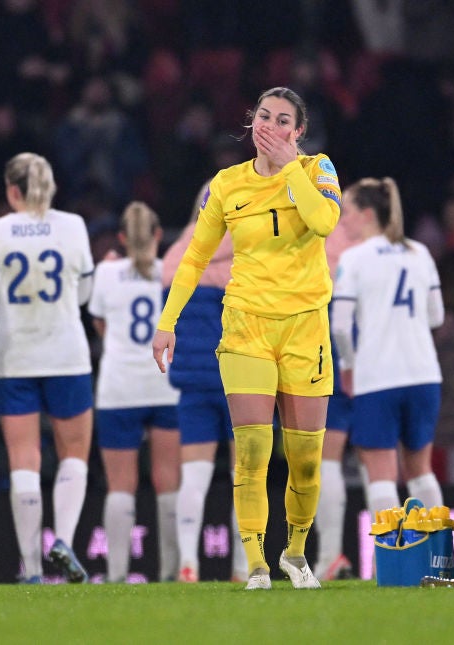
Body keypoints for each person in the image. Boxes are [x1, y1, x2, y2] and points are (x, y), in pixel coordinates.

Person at [152, 87, 342, 590]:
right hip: (246, 325)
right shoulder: (227, 184)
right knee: (253, 449)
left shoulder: (319, 169)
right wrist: (167, 321)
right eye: (263, 115)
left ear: (298, 132)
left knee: (303, 457)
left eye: (283, 120)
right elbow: (194, 257)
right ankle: (256, 562)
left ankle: (296, 554)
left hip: (305, 326)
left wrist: (289, 168)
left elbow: (323, 222)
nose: (270, 125)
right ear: (250, 121)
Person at [0, 152, 95, 584]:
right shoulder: (74, 226)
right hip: (66, 352)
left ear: (13, 190)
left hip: (14, 356)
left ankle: (30, 565)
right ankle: (63, 540)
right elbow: (84, 294)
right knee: (74, 454)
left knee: (23, 459)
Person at [329, 177, 446, 531]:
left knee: (380, 473)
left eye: (346, 212)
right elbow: (437, 316)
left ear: (367, 214)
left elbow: (339, 326)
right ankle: (438, 558)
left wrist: (348, 365)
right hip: (424, 374)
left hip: (378, 377)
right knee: (420, 470)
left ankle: (393, 563)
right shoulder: (419, 252)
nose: (342, 221)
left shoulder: (354, 258)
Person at [88, 201, 180, 583]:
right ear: (159, 235)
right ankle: (174, 572)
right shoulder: (170, 273)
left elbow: (100, 326)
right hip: (164, 384)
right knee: (168, 481)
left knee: (120, 485)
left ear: (122, 238)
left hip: (119, 388)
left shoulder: (106, 273)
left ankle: (116, 574)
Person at [161, 183, 248, 583]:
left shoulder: (177, 256)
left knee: (193, 475)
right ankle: (242, 565)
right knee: (242, 475)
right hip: (238, 380)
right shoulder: (246, 253)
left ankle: (189, 562)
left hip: (193, 381)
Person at [312, 185, 367, 583]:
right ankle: (389, 559)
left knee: (326, 456)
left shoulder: (320, 227)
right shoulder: (378, 242)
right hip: (379, 349)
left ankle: (331, 556)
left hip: (331, 336)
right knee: (376, 457)